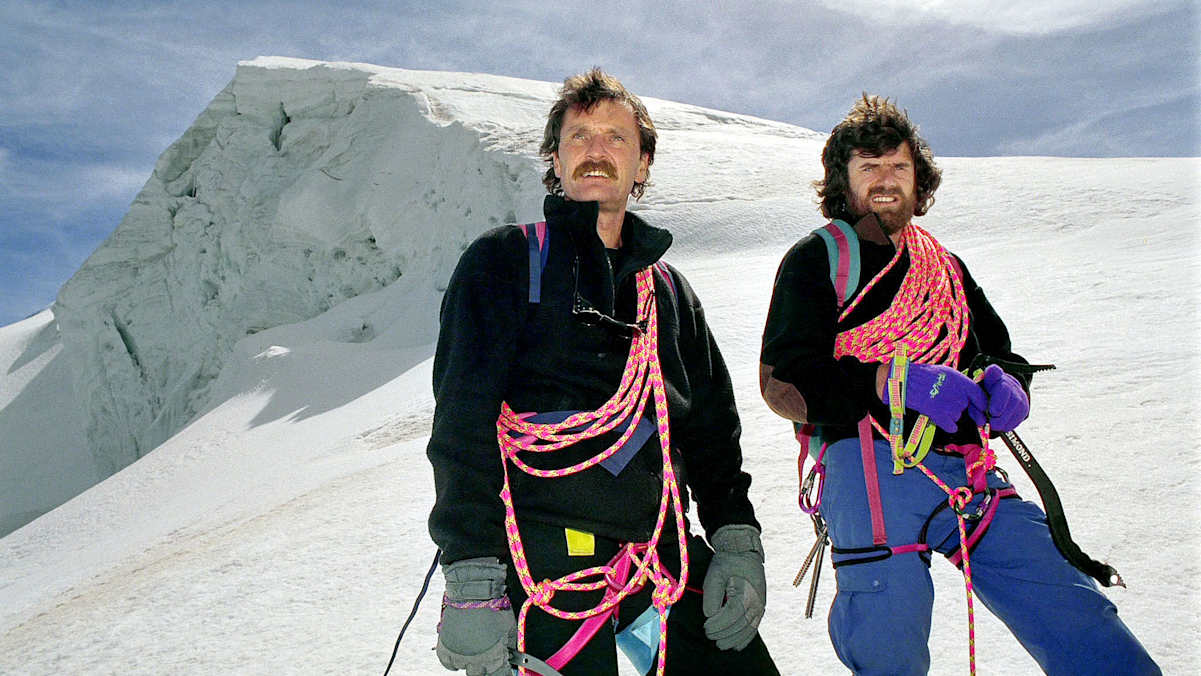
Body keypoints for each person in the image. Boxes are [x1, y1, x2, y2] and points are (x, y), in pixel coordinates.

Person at [759, 95, 1160, 675]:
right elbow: (784, 381)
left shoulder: (942, 266)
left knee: (1070, 606)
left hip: (966, 472)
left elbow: (995, 349)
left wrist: (1008, 383)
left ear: (919, 179)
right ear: (842, 182)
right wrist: (893, 382)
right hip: (866, 469)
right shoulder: (817, 259)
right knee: (887, 645)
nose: (886, 180)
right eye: (868, 168)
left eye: (898, 167)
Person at [427, 68, 780, 676]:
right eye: (579, 136)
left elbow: (712, 433)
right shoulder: (505, 261)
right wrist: (473, 578)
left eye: (617, 138)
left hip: (660, 555)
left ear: (642, 164)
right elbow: (462, 423)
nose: (597, 150)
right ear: (556, 162)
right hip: (542, 560)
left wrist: (735, 539)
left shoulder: (667, 293)